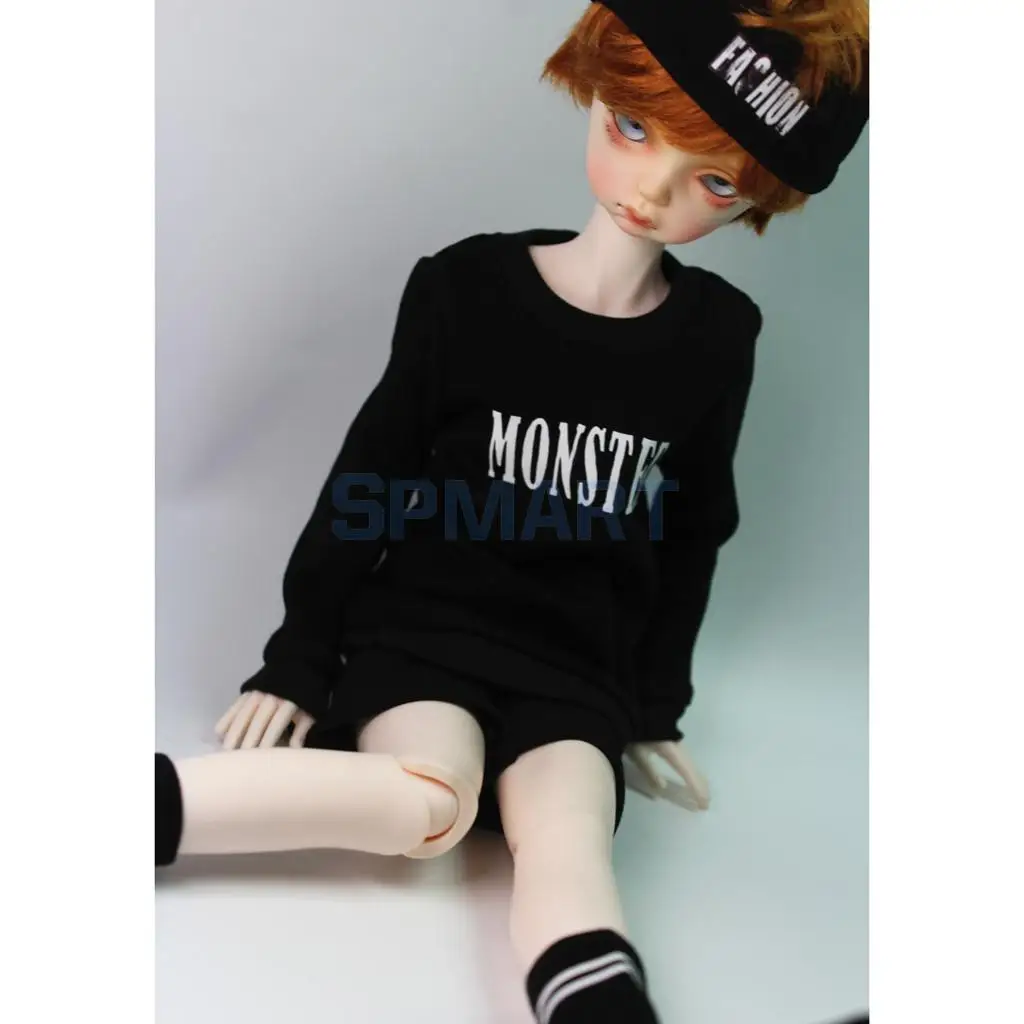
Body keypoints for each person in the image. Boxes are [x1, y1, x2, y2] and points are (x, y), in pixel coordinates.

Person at [155, 3, 869, 1022]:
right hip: (425, 636)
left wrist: (652, 705)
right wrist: (300, 655)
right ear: (596, 93)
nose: (651, 190)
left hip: (576, 669)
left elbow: (694, 528)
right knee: (426, 801)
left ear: (759, 196)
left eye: (714, 180)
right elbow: (370, 477)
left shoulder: (718, 338)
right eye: (632, 127)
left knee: (568, 836)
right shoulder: (467, 290)